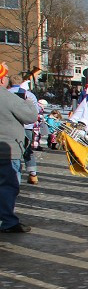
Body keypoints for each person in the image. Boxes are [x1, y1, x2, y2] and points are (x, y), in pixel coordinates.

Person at [0, 63, 40, 233]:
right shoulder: (8, 98)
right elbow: (31, 116)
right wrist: (30, 102)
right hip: (8, 151)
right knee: (8, 187)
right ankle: (8, 221)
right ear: (2, 79)